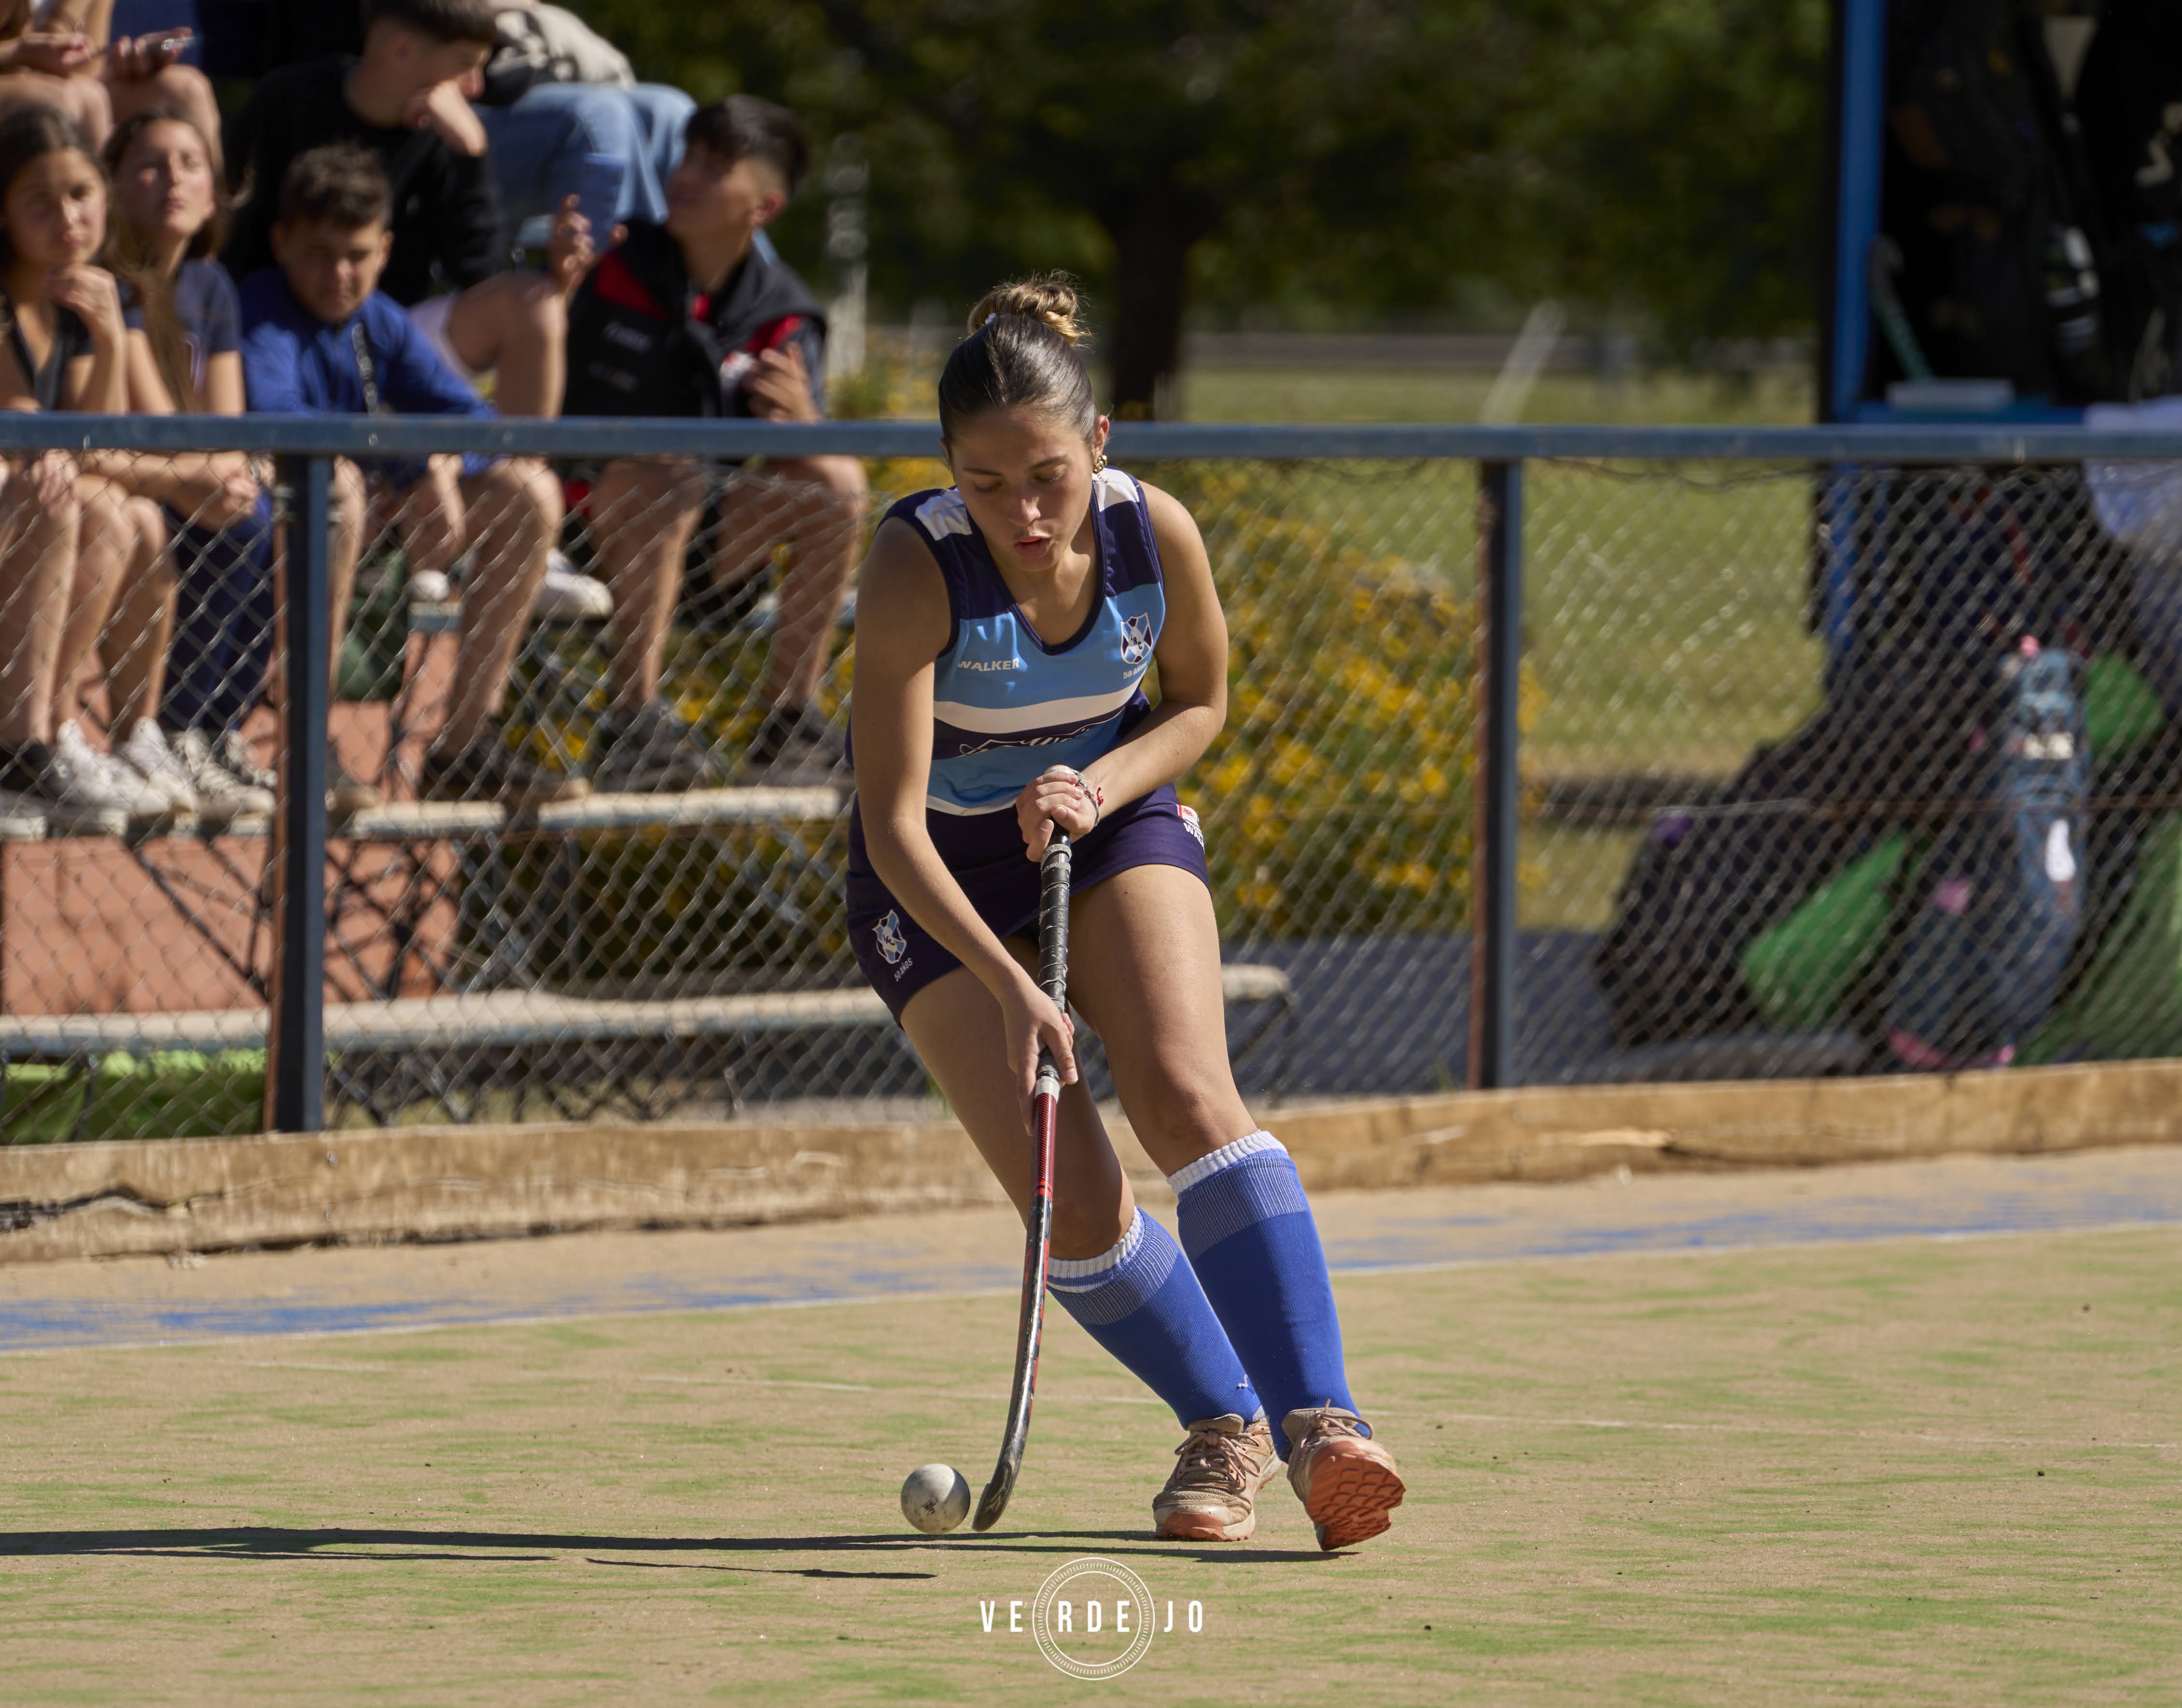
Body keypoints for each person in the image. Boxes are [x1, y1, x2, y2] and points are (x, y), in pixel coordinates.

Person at [846, 276, 1406, 1549]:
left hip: (1109, 820)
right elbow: (890, 821)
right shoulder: (912, 566)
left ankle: (1324, 1421)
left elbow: (1201, 704)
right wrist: (1011, 989)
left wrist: (1099, 783)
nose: (1023, 514)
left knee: (1184, 1092)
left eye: (1046, 475)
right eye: (985, 485)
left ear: (1099, 444)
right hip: (939, 878)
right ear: (948, 474)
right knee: (1078, 1199)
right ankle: (1226, 1423)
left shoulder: (1158, 534)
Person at [236, 142, 585, 807]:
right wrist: (411, 459)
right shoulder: (261, 304)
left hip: (383, 517)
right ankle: (310, 746)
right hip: (285, 522)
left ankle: (464, 746)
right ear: (281, 244)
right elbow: (277, 416)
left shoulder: (379, 319)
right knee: (333, 481)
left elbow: (482, 421)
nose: (339, 273)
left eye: (358, 255)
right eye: (319, 253)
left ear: (386, 248)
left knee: (527, 492)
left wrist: (443, 463)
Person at [564, 94, 866, 791]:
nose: (686, 177)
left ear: (765, 207)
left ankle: (788, 723)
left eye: (715, 166)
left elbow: (806, 461)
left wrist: (804, 425)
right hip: (582, 525)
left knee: (838, 478)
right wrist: (556, 288)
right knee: (664, 472)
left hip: (708, 550)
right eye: (689, 158)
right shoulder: (614, 261)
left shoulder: (782, 313)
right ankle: (631, 721)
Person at [222, 0, 587, 420]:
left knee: (534, 305)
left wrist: (472, 155)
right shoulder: (287, 99)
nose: (475, 87)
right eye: (465, 65)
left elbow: (481, 276)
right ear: (401, 51)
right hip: (274, 331)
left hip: (393, 344)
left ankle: (517, 477)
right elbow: (232, 243)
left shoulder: (450, 133)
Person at [99, 105, 277, 820]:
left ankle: (217, 728)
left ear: (215, 191)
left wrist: (232, 473)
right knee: (239, 522)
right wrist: (212, 476)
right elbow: (152, 426)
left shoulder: (211, 285)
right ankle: (177, 725)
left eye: (190, 164)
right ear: (113, 186)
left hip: (197, 478)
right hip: (126, 473)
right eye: (150, 164)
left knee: (281, 513)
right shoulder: (111, 285)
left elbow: (223, 419)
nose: (172, 178)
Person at [0, 104, 174, 817]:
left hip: (34, 513)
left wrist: (107, 340)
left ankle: (50, 731)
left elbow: (96, 447)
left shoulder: (81, 300)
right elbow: (30, 424)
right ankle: (22, 740)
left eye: (80, 195)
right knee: (69, 494)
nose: (68, 217)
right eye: (40, 202)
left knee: (125, 512)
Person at [473, 0, 693, 239]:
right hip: (456, 114)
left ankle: (687, 267)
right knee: (596, 115)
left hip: (519, 76)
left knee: (667, 110)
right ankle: (614, 270)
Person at [0, 0, 223, 159]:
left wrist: (124, 65)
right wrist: (21, 51)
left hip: (50, 87)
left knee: (185, 90)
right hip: (26, 85)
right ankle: (107, 220)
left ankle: (217, 219)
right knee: (78, 101)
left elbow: (85, 74)